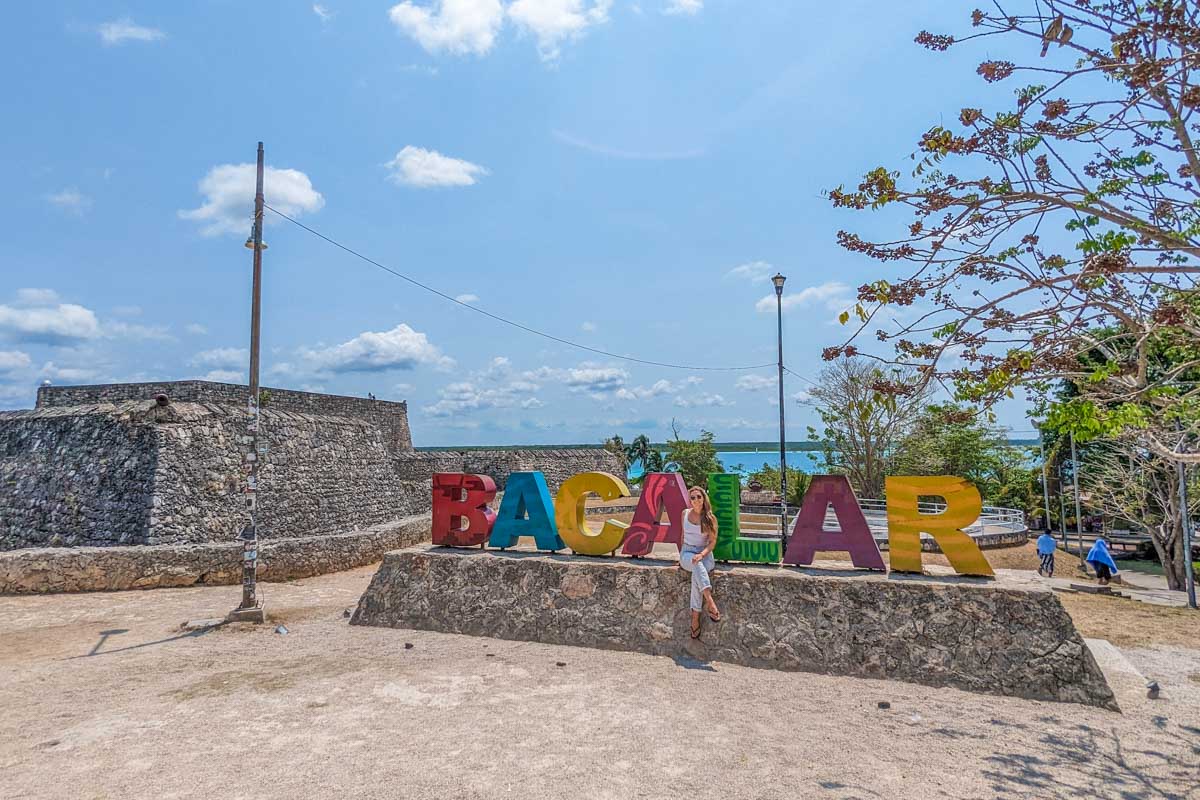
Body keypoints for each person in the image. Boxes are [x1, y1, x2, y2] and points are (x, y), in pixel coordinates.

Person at [680, 486, 721, 638]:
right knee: (695, 564)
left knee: (697, 571)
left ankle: (695, 619)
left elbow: (712, 542)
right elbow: (683, 536)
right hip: (687, 553)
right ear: (689, 500)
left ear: (704, 498)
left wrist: (701, 554)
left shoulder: (710, 518)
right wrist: (682, 557)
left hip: (705, 555)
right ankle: (710, 601)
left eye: (699, 497)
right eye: (693, 497)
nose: (696, 500)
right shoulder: (684, 513)